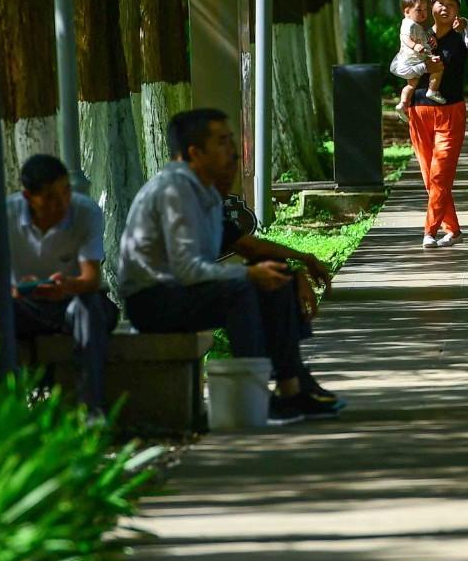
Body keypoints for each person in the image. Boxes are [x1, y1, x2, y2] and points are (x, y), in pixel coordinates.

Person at [115, 108, 342, 423]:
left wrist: (296, 265)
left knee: (277, 278)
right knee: (242, 288)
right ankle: (255, 397)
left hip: (183, 292)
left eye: (230, 139)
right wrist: (250, 273)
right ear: (194, 152)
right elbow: (187, 270)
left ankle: (292, 390)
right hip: (153, 300)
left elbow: (244, 245)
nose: (231, 149)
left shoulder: (203, 189)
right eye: (221, 141)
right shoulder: (175, 189)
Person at [1, 154, 118, 418]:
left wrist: (66, 286)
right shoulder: (5, 215)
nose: (62, 202)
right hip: (26, 304)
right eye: (51, 197)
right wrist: (17, 289)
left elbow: (91, 279)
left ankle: (92, 410)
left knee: (90, 311)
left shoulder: (86, 212)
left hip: (73, 300)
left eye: (66, 191)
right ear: (29, 197)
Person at [409, 0, 468, 248]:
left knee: (440, 174)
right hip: (419, 111)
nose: (445, 7)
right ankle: (454, 229)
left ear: (457, 12)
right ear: (432, 8)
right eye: (440, 3)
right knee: (430, 175)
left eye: (451, 4)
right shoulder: (420, 36)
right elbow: (400, 66)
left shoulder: (462, 36)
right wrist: (422, 66)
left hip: (451, 112)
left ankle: (429, 230)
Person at [390, 0, 444, 117]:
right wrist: (415, 45)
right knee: (438, 67)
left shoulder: (416, 25)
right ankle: (432, 90)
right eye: (419, 10)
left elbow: (424, 36)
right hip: (413, 60)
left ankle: (402, 104)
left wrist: (431, 37)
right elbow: (405, 38)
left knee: (411, 85)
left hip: (414, 60)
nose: (423, 13)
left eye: (425, 10)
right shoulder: (408, 25)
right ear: (407, 12)